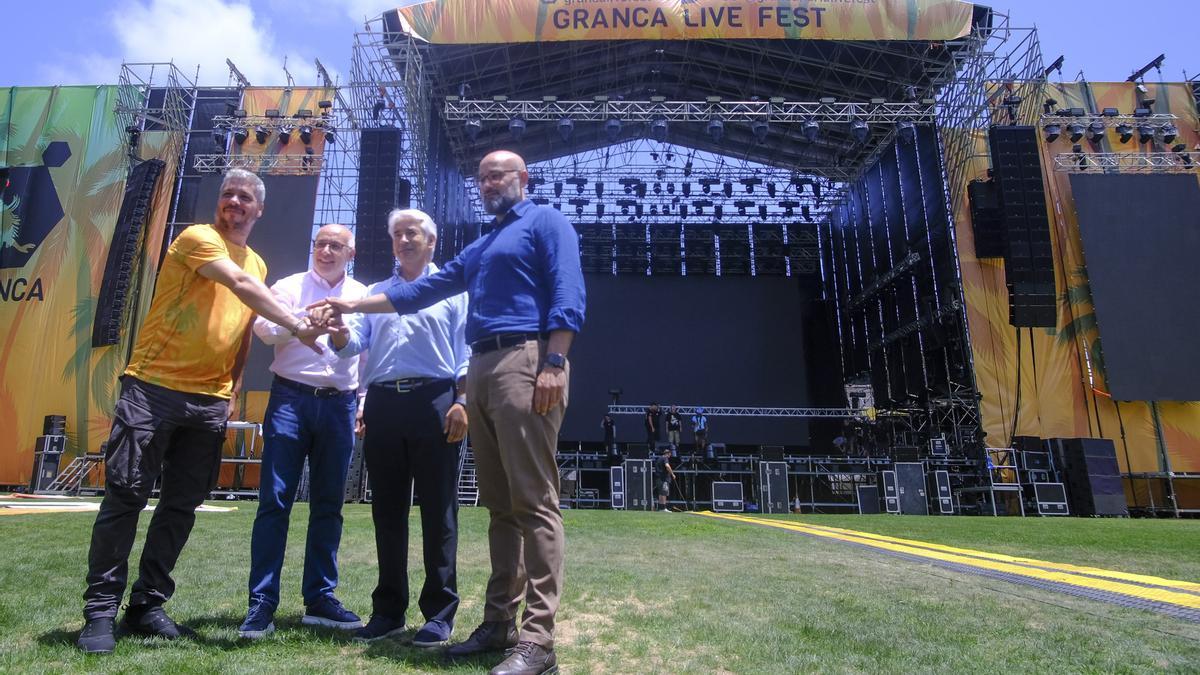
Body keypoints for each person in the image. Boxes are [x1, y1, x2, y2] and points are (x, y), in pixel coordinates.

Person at [310, 149, 584, 675]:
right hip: (480, 367)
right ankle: (499, 623)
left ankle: (539, 640)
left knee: (534, 503)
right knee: (501, 508)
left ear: (523, 178)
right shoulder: (481, 247)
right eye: (481, 177)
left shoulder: (546, 221)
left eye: (498, 174)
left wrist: (555, 359)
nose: (488, 183)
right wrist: (349, 305)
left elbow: (568, 290)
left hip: (525, 358)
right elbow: (418, 294)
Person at [75, 169, 335, 654]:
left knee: (180, 506)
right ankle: (100, 612)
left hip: (210, 402)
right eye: (228, 194)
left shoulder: (258, 263)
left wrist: (232, 388)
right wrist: (300, 324)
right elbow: (236, 283)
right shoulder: (199, 238)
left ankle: (147, 605)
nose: (234, 201)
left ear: (259, 210)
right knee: (125, 497)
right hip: (153, 388)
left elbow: (238, 334)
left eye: (245, 197)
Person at [332, 208, 470, 647]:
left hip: (436, 401)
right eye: (397, 235)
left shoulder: (452, 291)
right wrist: (336, 329)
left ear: (431, 242)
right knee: (386, 511)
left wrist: (463, 402)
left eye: (412, 233)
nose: (403, 241)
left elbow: (465, 354)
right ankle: (388, 610)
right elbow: (352, 345)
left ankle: (439, 613)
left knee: (438, 510)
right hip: (385, 404)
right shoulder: (375, 293)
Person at [237, 224, 368, 640]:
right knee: (274, 501)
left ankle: (320, 598)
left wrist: (361, 401)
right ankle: (262, 602)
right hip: (291, 399)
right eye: (320, 244)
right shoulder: (289, 286)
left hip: (341, 404)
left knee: (329, 504)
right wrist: (300, 323)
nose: (326, 251)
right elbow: (263, 329)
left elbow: (364, 349)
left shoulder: (362, 295)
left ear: (351, 252)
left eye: (335, 245)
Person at [653, 444, 676, 512]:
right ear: (668, 454)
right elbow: (667, 466)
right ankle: (663, 508)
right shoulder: (665, 458)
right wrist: (672, 474)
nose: (670, 456)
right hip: (663, 479)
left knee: (660, 493)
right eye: (670, 454)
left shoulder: (659, 459)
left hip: (658, 479)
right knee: (664, 493)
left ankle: (660, 508)